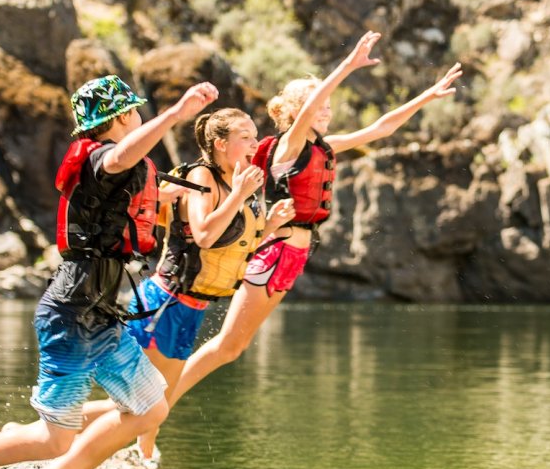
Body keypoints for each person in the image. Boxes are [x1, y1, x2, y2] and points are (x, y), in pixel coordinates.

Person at [0, 74, 219, 469]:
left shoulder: (116, 169)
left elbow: (128, 190)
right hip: (72, 312)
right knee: (56, 437)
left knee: (151, 407)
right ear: (119, 118)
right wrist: (176, 114)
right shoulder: (100, 159)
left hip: (103, 315)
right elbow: (121, 157)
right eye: (134, 111)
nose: (138, 116)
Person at [161, 31, 462, 411]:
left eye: (328, 106)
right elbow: (308, 110)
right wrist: (348, 66)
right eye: (318, 105)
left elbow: (381, 128)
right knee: (225, 345)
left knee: (232, 348)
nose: (326, 110)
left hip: (294, 257)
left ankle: (157, 409)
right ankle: (157, 411)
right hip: (270, 253)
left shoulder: (324, 147)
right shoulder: (289, 145)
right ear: (295, 111)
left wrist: (428, 96)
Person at [79, 108, 296, 460]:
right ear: (221, 143)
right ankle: (53, 439)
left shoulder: (238, 181)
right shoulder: (203, 177)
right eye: (246, 136)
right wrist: (240, 195)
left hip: (191, 309)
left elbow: (233, 248)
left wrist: (269, 225)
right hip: (163, 304)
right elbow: (205, 235)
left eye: (256, 136)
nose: (256, 144)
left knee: (156, 402)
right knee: (141, 405)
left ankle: (141, 459)